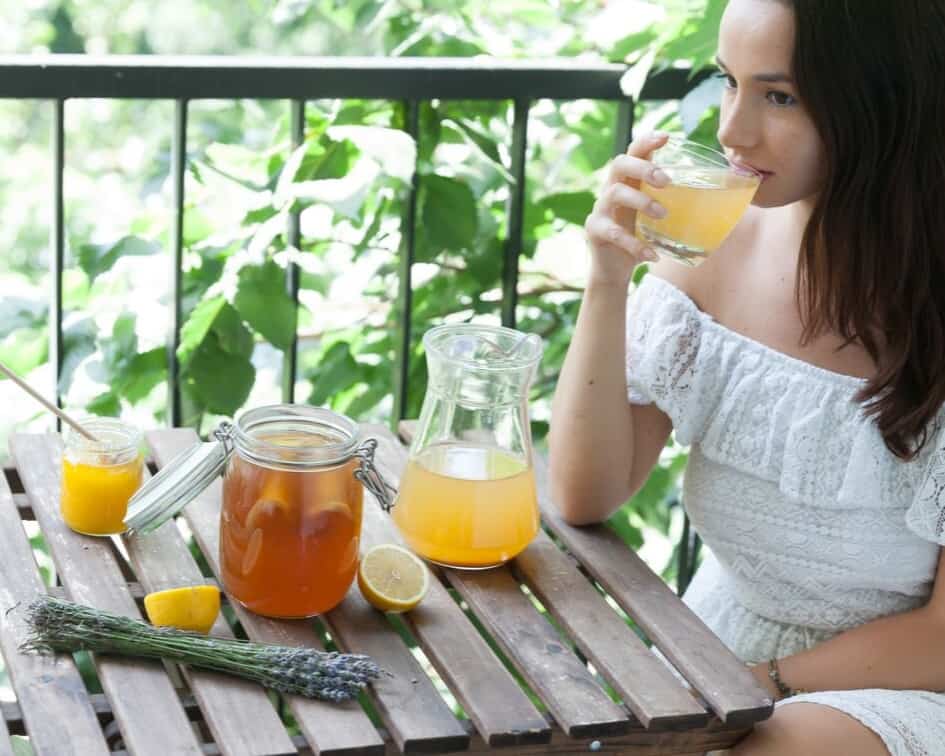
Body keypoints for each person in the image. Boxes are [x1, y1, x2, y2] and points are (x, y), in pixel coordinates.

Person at [549, 1, 945, 754]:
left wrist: (748, 687)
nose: (732, 130)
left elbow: (941, 639)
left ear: (883, 99)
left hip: (902, 684)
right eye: (728, 82)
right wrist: (605, 282)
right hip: (727, 650)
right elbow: (584, 492)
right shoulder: (713, 242)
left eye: (779, 96)